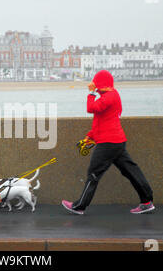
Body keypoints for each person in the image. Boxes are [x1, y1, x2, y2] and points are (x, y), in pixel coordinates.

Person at [62, 70, 154, 215]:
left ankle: (79, 206)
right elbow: (101, 121)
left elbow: (91, 108)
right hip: (116, 141)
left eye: (96, 84)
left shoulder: (110, 96)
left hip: (108, 143)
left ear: (101, 84)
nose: (95, 86)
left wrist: (91, 93)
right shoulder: (110, 95)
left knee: (93, 174)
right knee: (131, 171)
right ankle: (147, 202)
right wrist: (90, 137)